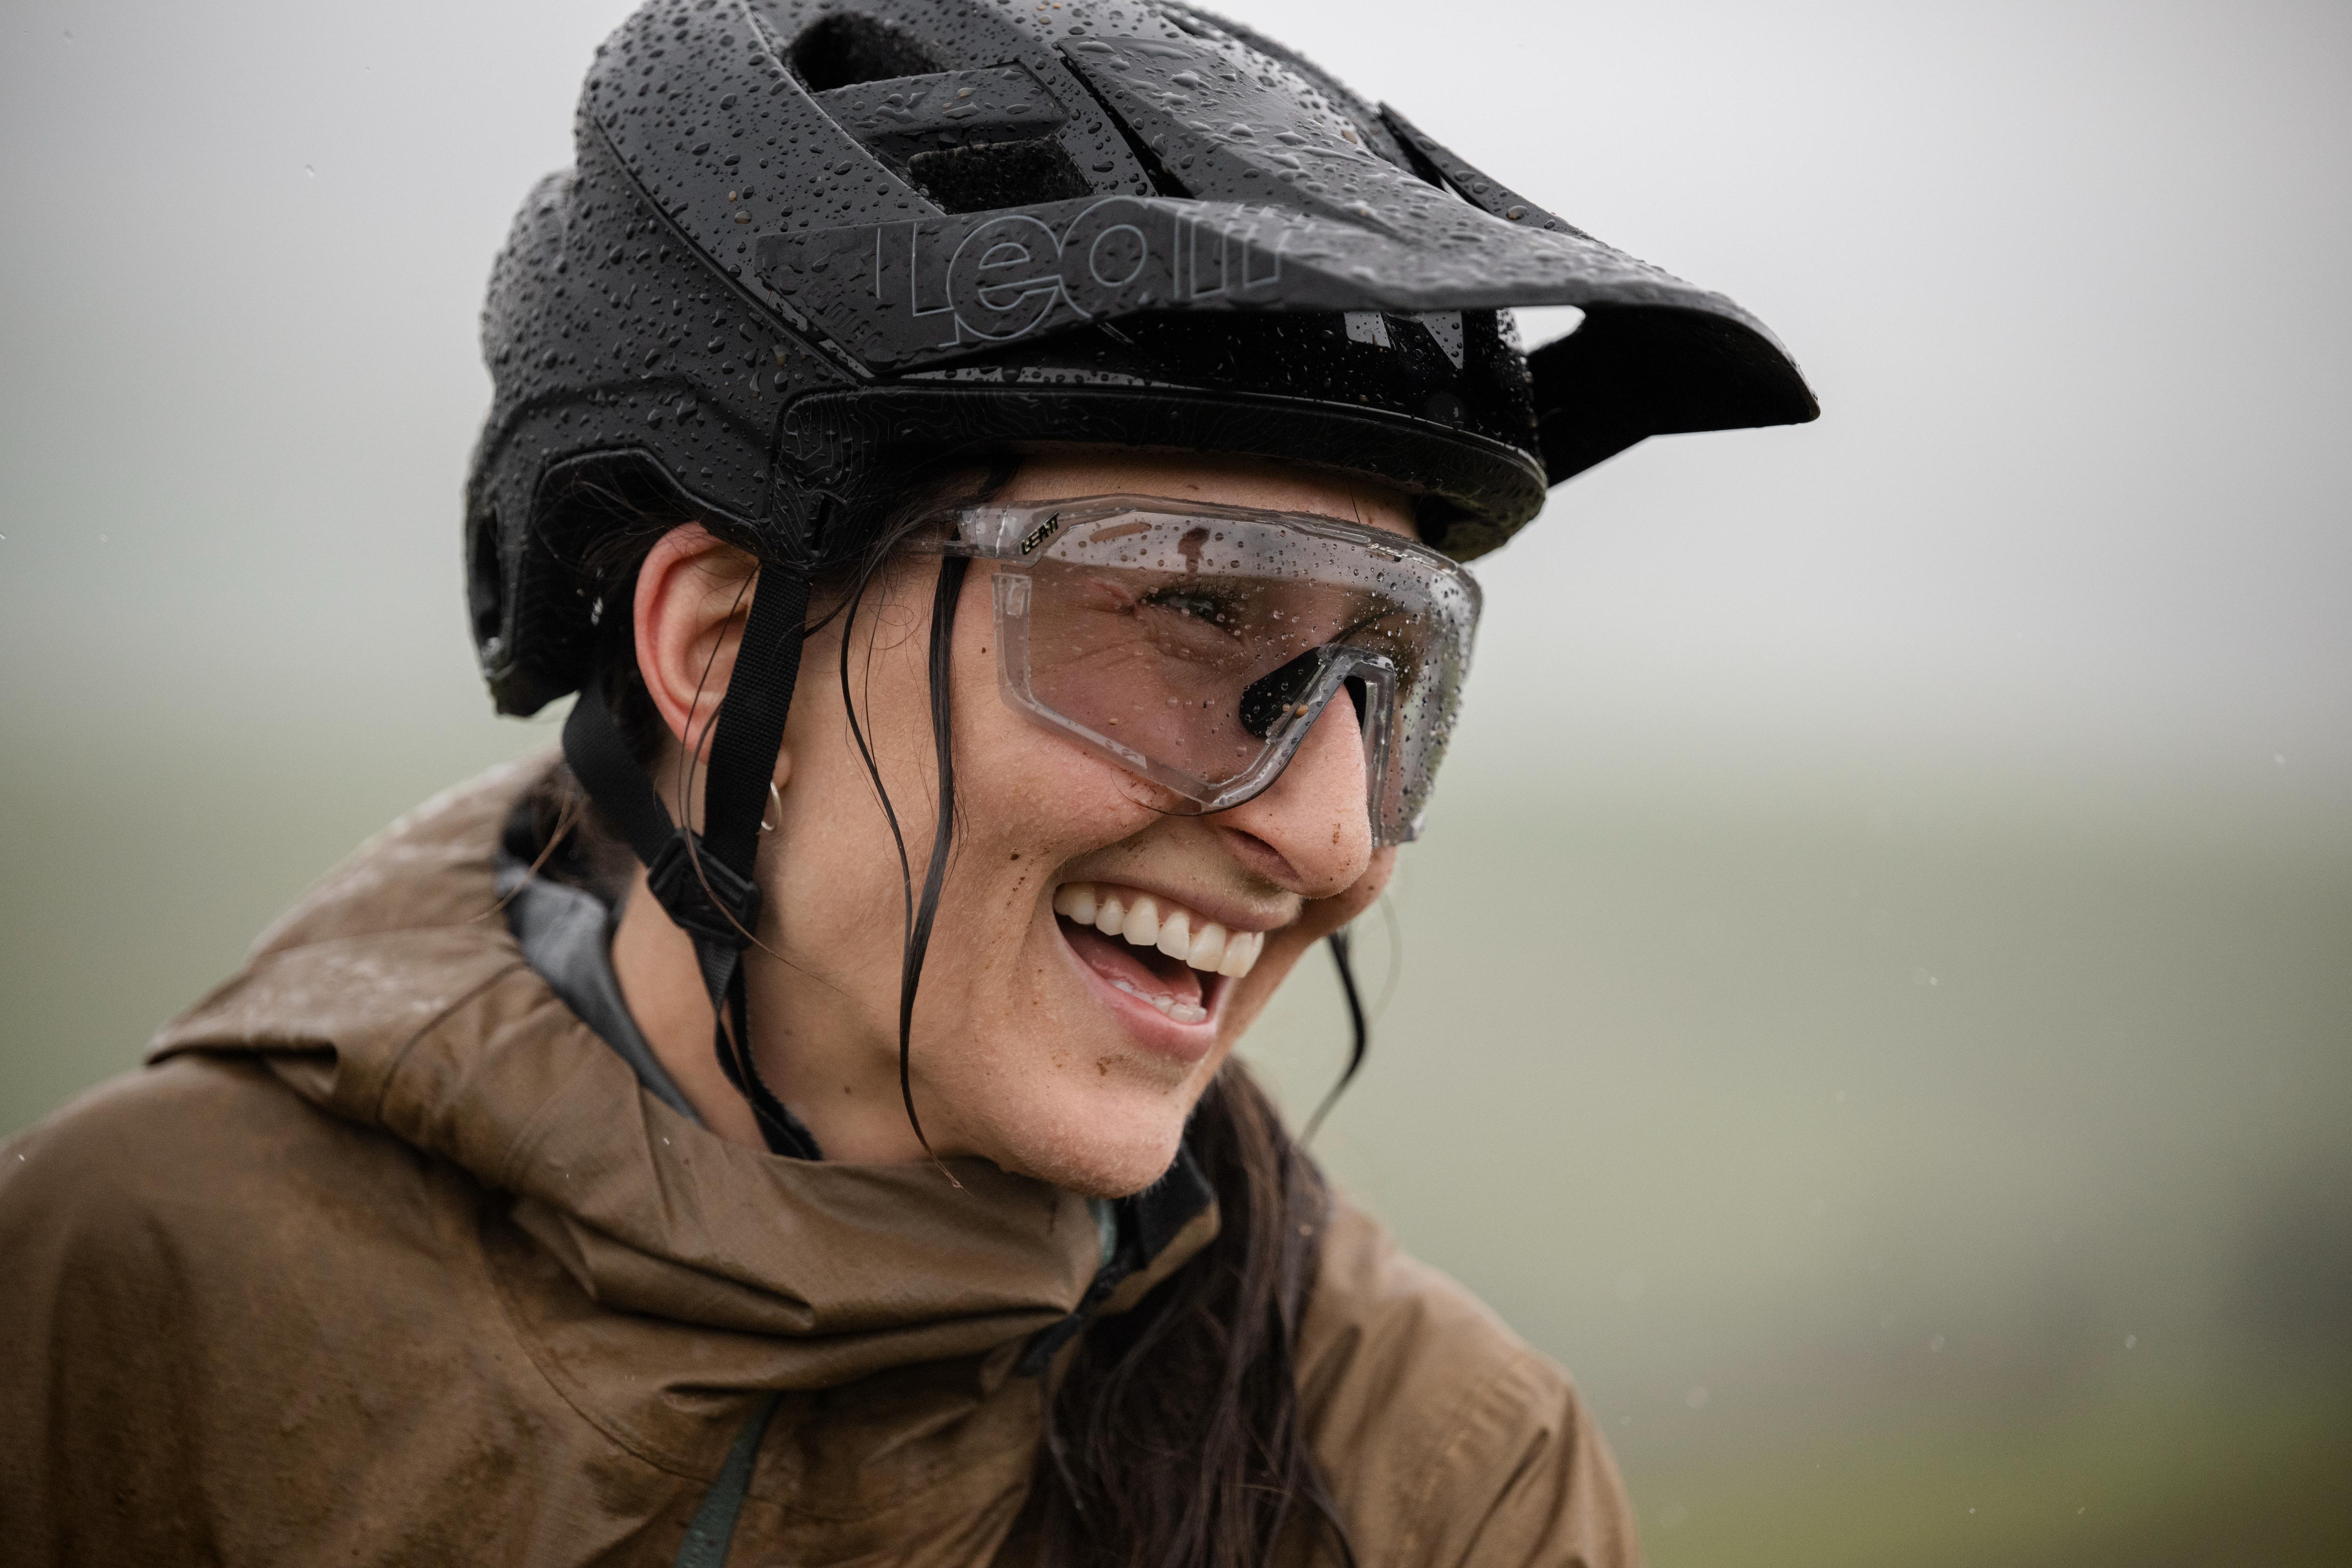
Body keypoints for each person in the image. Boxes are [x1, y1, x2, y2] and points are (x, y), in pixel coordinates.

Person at [0, 1, 1813, 1562]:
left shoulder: (1441, 1482)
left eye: (1386, 673)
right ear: (716, 650)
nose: (1331, 833)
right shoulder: (127, 1286)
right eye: (1189, 609)